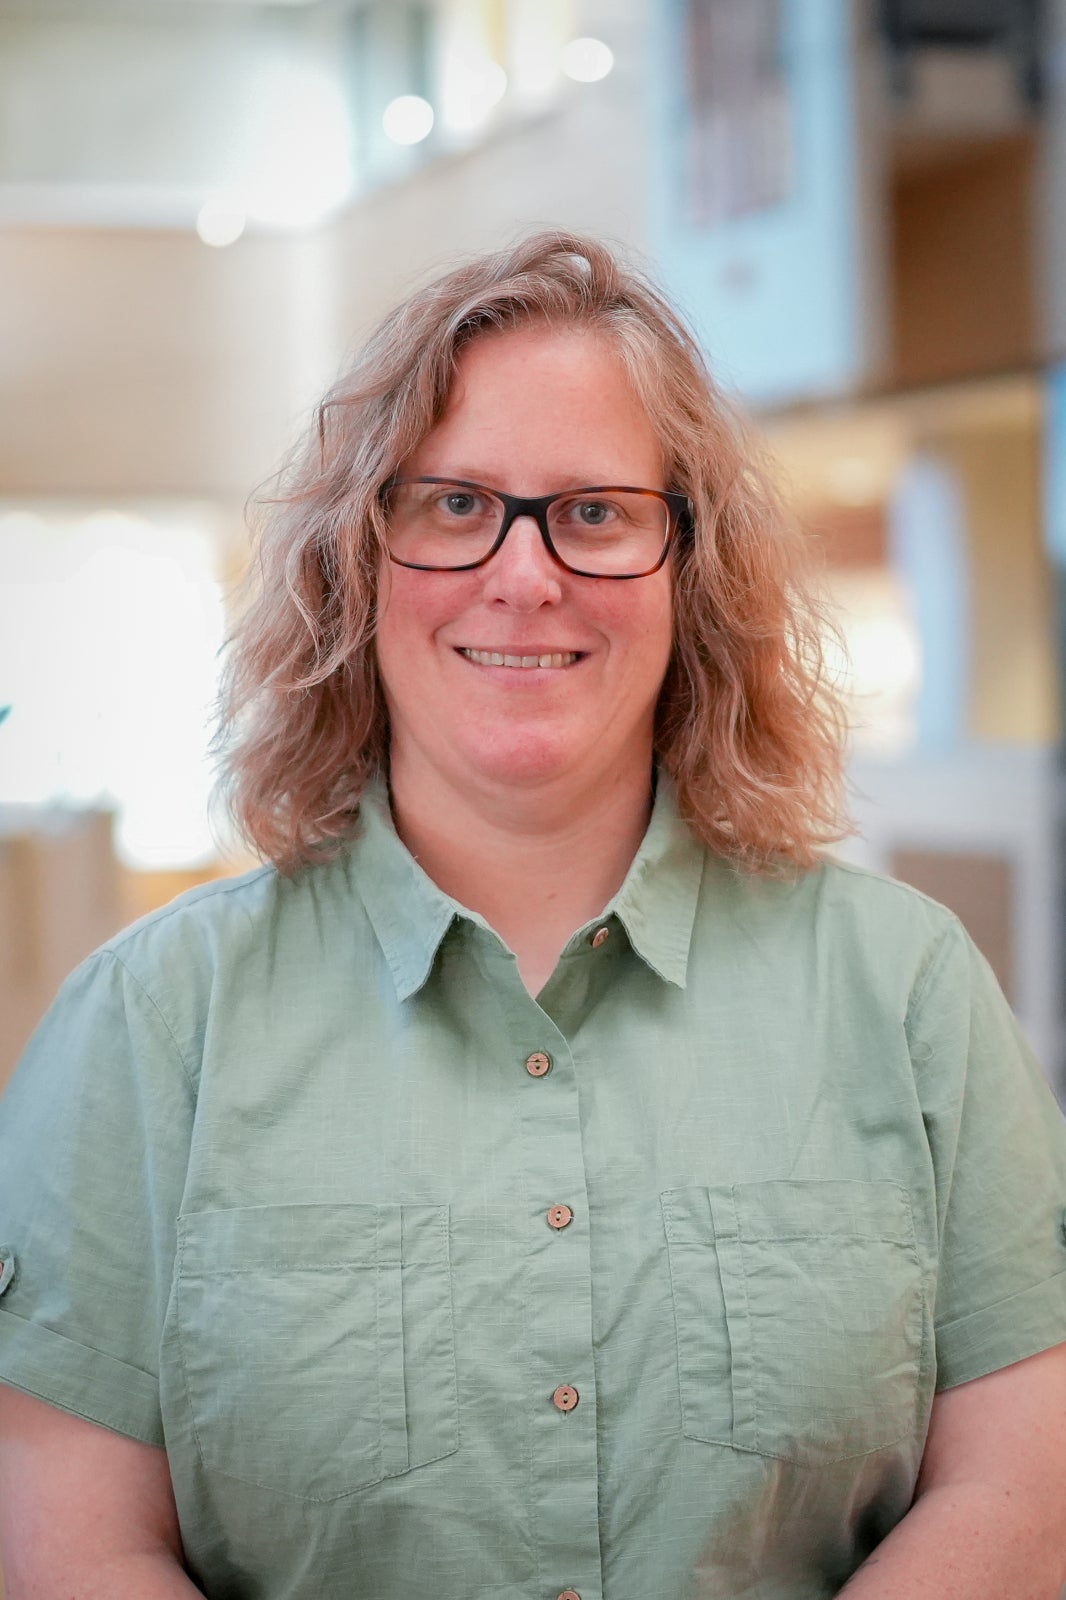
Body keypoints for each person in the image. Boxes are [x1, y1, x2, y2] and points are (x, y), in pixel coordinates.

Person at [1, 230, 1065, 1600]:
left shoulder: (903, 985)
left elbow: (1021, 1487)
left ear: (691, 569)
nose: (523, 575)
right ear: (354, 560)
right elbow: (66, 1546)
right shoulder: (149, 1024)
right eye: (452, 505)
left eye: (594, 512)